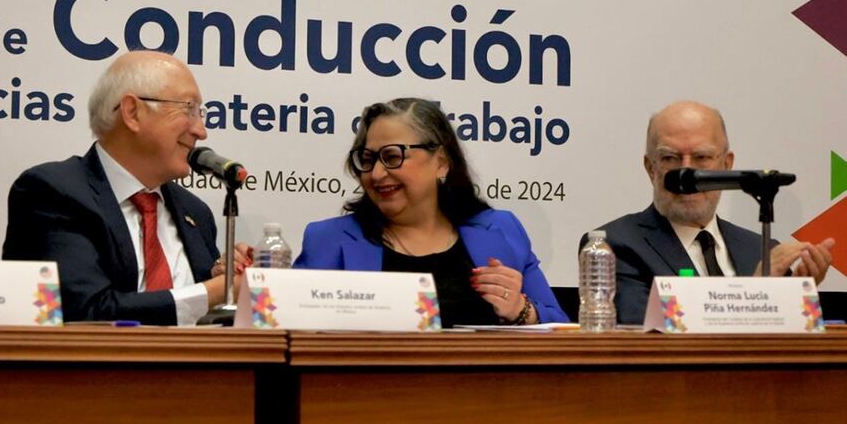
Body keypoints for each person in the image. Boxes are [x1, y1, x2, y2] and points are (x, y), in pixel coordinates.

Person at [2, 50, 250, 324]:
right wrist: (211, 292)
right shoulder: (52, 192)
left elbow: (201, 316)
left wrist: (228, 281)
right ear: (132, 112)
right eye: (189, 109)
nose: (201, 131)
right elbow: (83, 312)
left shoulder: (195, 212)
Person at [294, 97, 567, 327]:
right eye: (368, 160)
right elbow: (285, 330)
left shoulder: (502, 229)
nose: (376, 174)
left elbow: (563, 331)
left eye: (392, 157)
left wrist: (521, 309)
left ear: (441, 162)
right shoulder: (328, 240)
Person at [589, 100, 836, 324]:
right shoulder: (616, 245)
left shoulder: (761, 249)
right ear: (650, 168)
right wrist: (756, 291)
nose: (687, 173)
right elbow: (644, 334)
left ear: (727, 164)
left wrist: (793, 300)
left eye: (702, 157)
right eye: (670, 158)